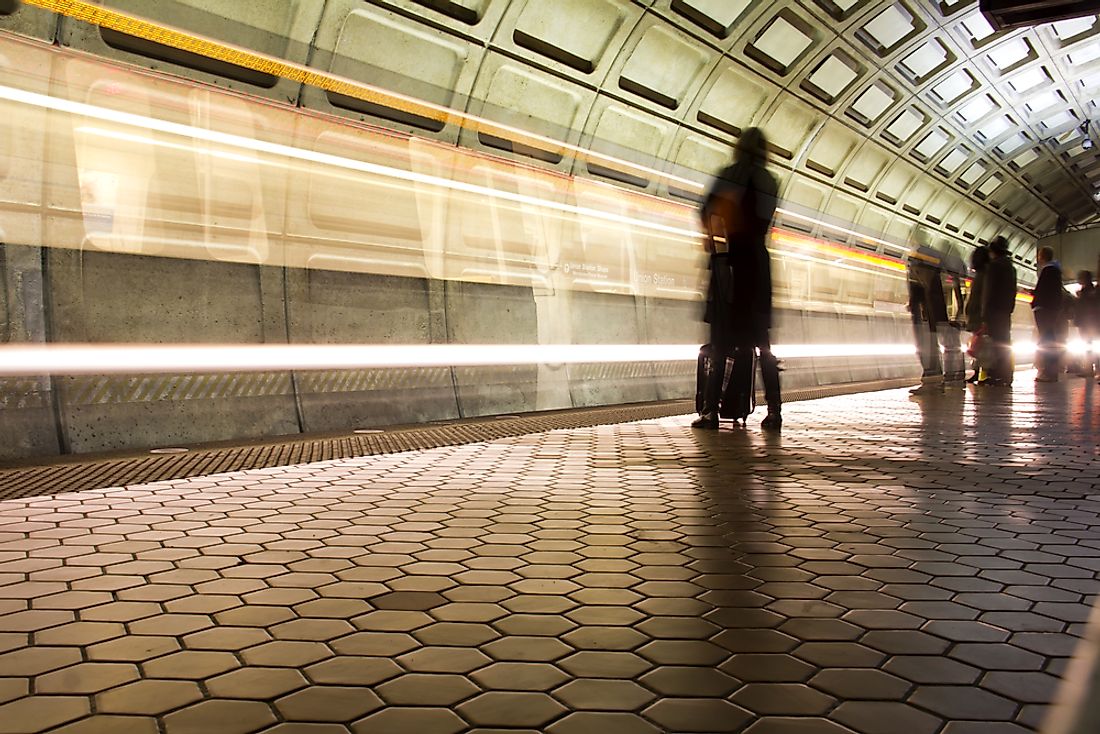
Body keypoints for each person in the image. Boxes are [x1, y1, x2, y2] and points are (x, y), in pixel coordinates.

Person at [693, 127, 781, 430]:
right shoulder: (770, 180)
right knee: (762, 344)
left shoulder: (730, 175)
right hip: (758, 263)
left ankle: (710, 411)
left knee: (721, 342)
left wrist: (712, 241)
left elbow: (706, 211)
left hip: (730, 264)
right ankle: (775, 411)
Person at [907, 256, 951, 395]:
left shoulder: (925, 279)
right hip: (928, 320)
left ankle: (931, 383)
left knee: (927, 350)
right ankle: (933, 382)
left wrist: (914, 305)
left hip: (925, 321)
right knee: (929, 350)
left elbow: (919, 298)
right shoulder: (932, 278)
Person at [981, 236, 1017, 386]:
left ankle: (995, 375)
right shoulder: (1011, 268)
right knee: (1005, 343)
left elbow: (988, 292)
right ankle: (1006, 376)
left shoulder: (994, 267)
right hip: (1005, 311)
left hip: (994, 311)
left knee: (994, 344)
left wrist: (984, 315)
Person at [1032, 246, 1066, 382]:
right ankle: (1050, 371)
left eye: (1039, 255)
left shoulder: (1049, 270)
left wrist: (1035, 298)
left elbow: (1044, 291)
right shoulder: (1054, 271)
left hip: (1045, 309)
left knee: (1047, 340)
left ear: (1043, 256)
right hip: (1049, 309)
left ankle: (1049, 372)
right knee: (1048, 339)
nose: (1038, 257)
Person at [965, 246, 991, 383]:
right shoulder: (983, 274)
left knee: (982, 346)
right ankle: (978, 372)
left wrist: (982, 316)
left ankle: (982, 374)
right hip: (978, 314)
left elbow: (980, 296)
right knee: (979, 345)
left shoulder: (983, 275)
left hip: (979, 315)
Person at [1074, 270, 1098, 376]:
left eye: (1080, 277)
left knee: (1089, 345)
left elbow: (1085, 307)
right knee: (1089, 345)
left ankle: (1089, 369)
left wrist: (1080, 298)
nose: (1078, 279)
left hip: (1088, 323)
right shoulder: (1088, 290)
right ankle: (1089, 368)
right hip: (1088, 322)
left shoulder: (1089, 291)